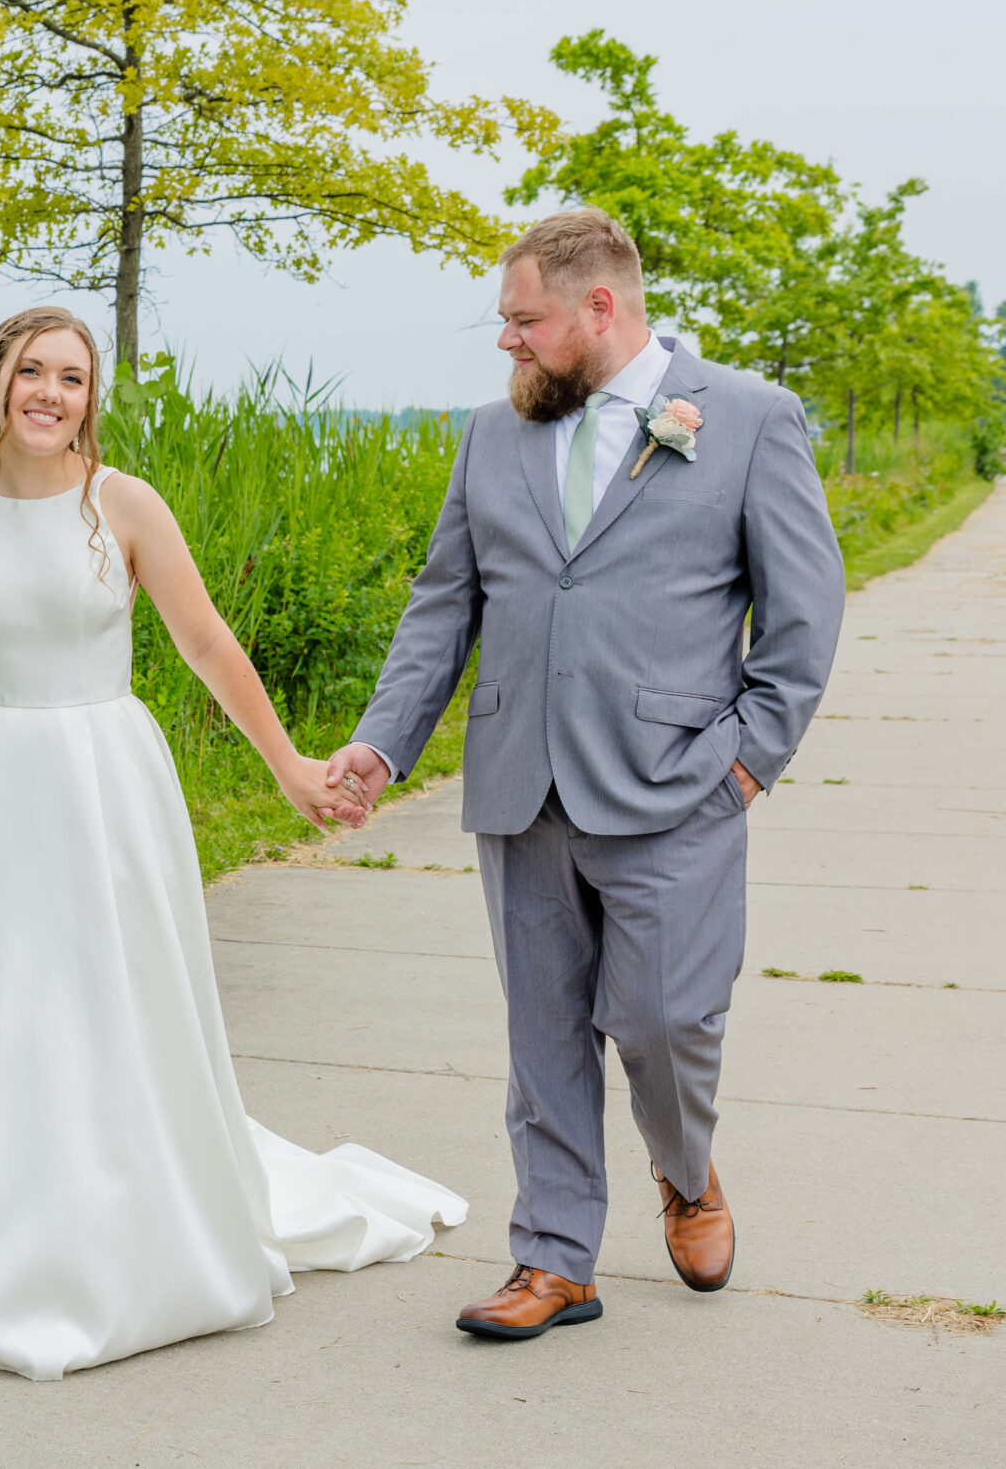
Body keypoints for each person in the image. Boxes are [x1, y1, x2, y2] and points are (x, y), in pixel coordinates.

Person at [0, 305, 465, 1382]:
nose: (50, 394)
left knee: (92, 1003)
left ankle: (103, 1216)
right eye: (32, 372)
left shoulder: (123, 506)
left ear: (87, 399)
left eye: (71, 377)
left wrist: (291, 767)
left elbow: (203, 639)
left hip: (100, 780)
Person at [326, 207, 843, 1340]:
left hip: (678, 785)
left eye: (523, 322)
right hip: (519, 785)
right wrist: (380, 741)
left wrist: (748, 763)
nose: (505, 343)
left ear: (598, 308)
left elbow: (803, 616)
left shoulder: (749, 419)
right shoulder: (489, 433)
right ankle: (553, 1260)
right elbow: (442, 606)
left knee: (661, 1018)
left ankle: (686, 1170)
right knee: (542, 1033)